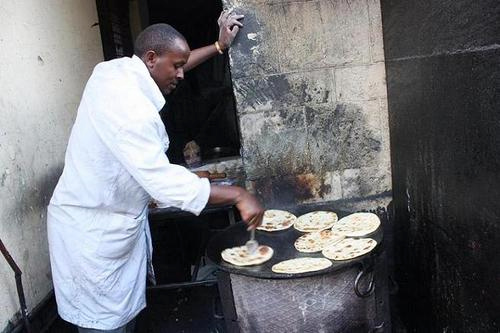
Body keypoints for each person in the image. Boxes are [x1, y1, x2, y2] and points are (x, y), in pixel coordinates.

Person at [47, 12, 263, 333]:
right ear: (151, 59)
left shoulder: (116, 72)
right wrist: (237, 194)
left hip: (110, 225)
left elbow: (170, 65)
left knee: (123, 320)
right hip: (93, 237)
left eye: (180, 65)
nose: (180, 74)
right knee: (104, 327)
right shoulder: (129, 108)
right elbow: (162, 182)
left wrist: (219, 46)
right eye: (176, 67)